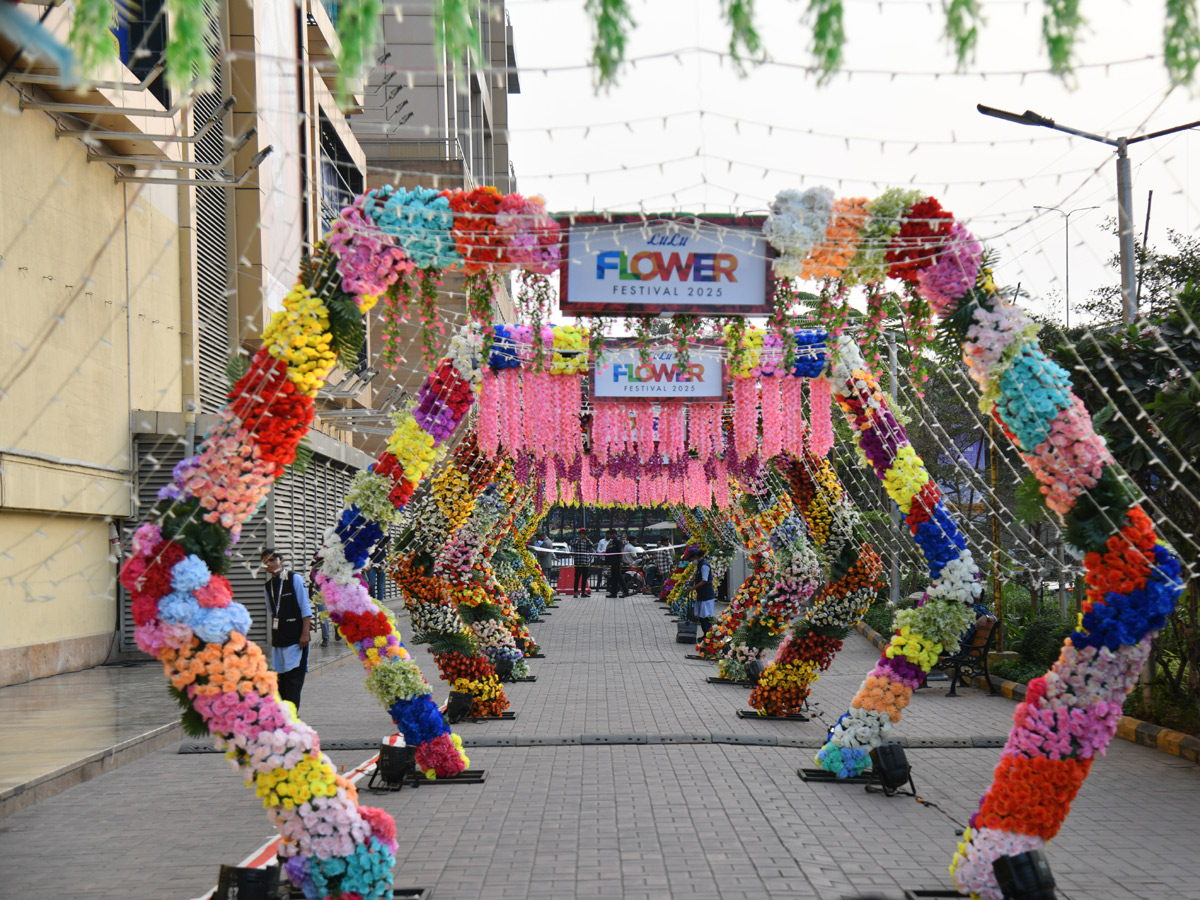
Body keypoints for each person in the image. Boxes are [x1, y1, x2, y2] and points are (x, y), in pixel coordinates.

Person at [262, 549, 312, 711]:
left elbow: (305, 607)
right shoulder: (268, 586)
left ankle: (292, 716)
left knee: (293, 682)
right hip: (279, 639)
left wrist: (305, 633)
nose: (269, 564)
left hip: (296, 639)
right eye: (266, 561)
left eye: (272, 560)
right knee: (280, 681)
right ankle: (285, 717)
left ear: (281, 561)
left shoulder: (294, 579)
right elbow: (272, 612)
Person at [692, 548, 716, 637]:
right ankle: (705, 634)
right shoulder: (700, 565)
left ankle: (709, 635)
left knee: (706, 617)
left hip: (707, 595)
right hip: (702, 595)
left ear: (696, 557)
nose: (692, 561)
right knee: (702, 617)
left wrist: (693, 588)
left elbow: (704, 580)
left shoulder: (704, 566)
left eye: (692, 559)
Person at [569, 528, 594, 597]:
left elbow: (592, 546)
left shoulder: (587, 540)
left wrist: (587, 539)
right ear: (579, 533)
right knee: (577, 577)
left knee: (584, 577)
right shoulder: (576, 539)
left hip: (585, 561)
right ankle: (576, 592)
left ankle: (583, 592)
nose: (583, 534)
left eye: (584, 533)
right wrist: (579, 540)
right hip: (578, 561)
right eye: (582, 533)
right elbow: (573, 545)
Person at [605, 530, 627, 597]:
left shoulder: (617, 542)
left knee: (619, 578)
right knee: (614, 578)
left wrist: (621, 561)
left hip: (617, 562)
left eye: (612, 534)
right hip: (612, 562)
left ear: (615, 534)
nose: (611, 536)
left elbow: (621, 551)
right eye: (610, 534)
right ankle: (614, 593)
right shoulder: (612, 542)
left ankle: (625, 592)